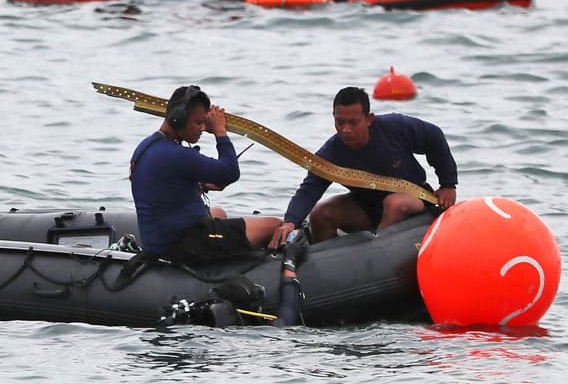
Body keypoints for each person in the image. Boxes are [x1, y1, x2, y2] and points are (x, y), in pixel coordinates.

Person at [269, 87, 458, 248]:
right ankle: (324, 267)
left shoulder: (395, 127)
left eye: (353, 122)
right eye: (340, 122)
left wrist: (448, 184)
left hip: (413, 202)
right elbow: (309, 189)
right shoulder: (331, 153)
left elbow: (434, 136)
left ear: (369, 119)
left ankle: (377, 258)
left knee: (394, 203)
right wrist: (290, 222)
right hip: (367, 207)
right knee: (321, 213)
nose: (346, 129)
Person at [129, 85, 281, 264]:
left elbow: (164, 184)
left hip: (159, 241)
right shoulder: (180, 155)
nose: (202, 128)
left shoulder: (147, 146)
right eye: (198, 123)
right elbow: (230, 172)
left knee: (219, 212)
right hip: (186, 244)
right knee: (274, 225)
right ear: (178, 120)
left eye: (204, 122)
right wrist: (220, 131)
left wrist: (201, 186)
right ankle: (269, 267)